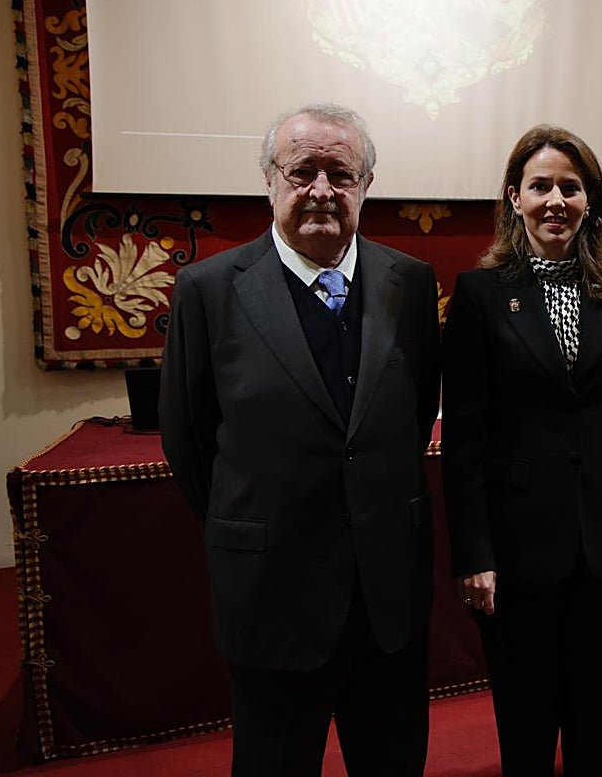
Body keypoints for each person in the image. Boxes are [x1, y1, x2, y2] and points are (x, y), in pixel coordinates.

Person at [159, 102, 441, 776]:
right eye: (303, 170)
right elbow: (189, 440)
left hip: (387, 600)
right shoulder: (207, 291)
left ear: (367, 184)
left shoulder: (411, 283)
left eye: (340, 174)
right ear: (269, 179)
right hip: (272, 596)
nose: (321, 189)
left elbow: (412, 419)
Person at [441, 124, 602, 776]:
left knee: (600, 725)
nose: (556, 200)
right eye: (540, 186)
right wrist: (474, 553)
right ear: (514, 199)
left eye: (571, 188)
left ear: (591, 201)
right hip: (516, 557)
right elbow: (464, 440)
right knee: (525, 728)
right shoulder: (481, 296)